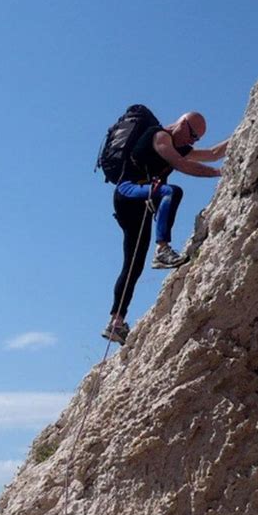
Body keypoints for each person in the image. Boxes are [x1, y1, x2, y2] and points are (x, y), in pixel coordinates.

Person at [102, 111, 229, 345]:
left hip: (143, 202)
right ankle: (162, 248)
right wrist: (218, 173)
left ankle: (116, 323)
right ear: (181, 123)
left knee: (134, 263)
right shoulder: (159, 136)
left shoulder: (180, 144)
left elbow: (212, 153)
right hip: (128, 193)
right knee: (172, 191)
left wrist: (238, 138)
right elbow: (180, 164)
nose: (192, 141)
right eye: (192, 135)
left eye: (196, 139)